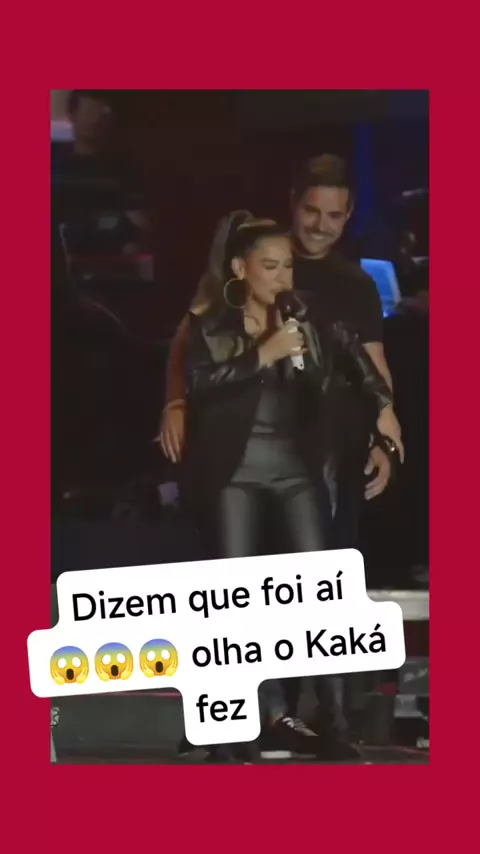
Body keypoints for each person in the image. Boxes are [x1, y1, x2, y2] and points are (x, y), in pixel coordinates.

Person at [180, 215, 402, 761]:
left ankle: (336, 723)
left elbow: (362, 370)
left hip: (297, 469)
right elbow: (200, 384)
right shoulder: (211, 325)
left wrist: (383, 416)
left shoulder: (311, 316)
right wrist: (264, 353)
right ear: (241, 268)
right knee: (233, 602)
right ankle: (231, 729)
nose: (282, 278)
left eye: (288, 268)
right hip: (235, 474)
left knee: (318, 594)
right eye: (270, 266)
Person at [51, 90, 150, 282]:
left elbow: (139, 225)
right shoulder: (54, 164)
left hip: (108, 267)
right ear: (72, 115)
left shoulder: (124, 169)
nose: (94, 121)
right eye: (88, 113)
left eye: (99, 114)